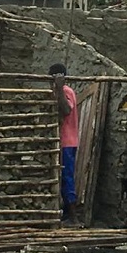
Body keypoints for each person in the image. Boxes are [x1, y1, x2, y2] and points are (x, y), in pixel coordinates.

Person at [49, 63, 79, 226]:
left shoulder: (66, 91)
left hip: (67, 141)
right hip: (65, 141)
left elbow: (66, 110)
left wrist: (59, 89)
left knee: (67, 177)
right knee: (63, 178)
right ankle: (67, 214)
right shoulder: (60, 92)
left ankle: (73, 217)